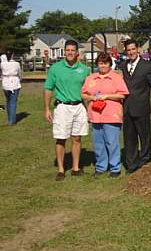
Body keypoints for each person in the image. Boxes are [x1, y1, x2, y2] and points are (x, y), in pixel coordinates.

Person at [44, 40, 90, 181]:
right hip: (62, 107)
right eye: (67, 50)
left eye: (72, 50)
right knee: (61, 138)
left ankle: (75, 168)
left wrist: (88, 108)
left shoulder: (84, 69)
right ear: (65, 51)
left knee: (77, 137)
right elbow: (48, 89)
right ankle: (61, 169)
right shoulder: (55, 68)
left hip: (79, 106)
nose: (70, 52)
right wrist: (46, 109)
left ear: (77, 52)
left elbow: (88, 90)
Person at [81, 52, 129, 177]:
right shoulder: (91, 78)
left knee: (112, 142)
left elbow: (122, 94)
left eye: (105, 63)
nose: (103, 66)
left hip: (111, 114)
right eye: (100, 63)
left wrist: (107, 96)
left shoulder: (116, 78)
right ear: (97, 64)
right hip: (96, 115)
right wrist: (91, 97)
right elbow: (83, 94)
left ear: (110, 64)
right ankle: (101, 166)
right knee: (98, 143)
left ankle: (115, 168)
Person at [122, 39, 151, 173]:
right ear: (126, 51)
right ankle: (131, 164)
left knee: (144, 137)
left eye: (133, 49)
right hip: (126, 108)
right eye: (128, 50)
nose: (131, 52)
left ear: (137, 49)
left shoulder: (147, 66)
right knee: (129, 138)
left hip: (141, 108)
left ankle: (144, 162)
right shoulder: (123, 66)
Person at [1, 51, 22, 124]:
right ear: (12, 55)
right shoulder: (16, 64)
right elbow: (20, 73)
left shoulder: (2, 64)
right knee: (13, 102)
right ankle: (12, 120)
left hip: (5, 84)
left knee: (8, 101)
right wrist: (20, 79)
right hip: (14, 83)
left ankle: (10, 118)